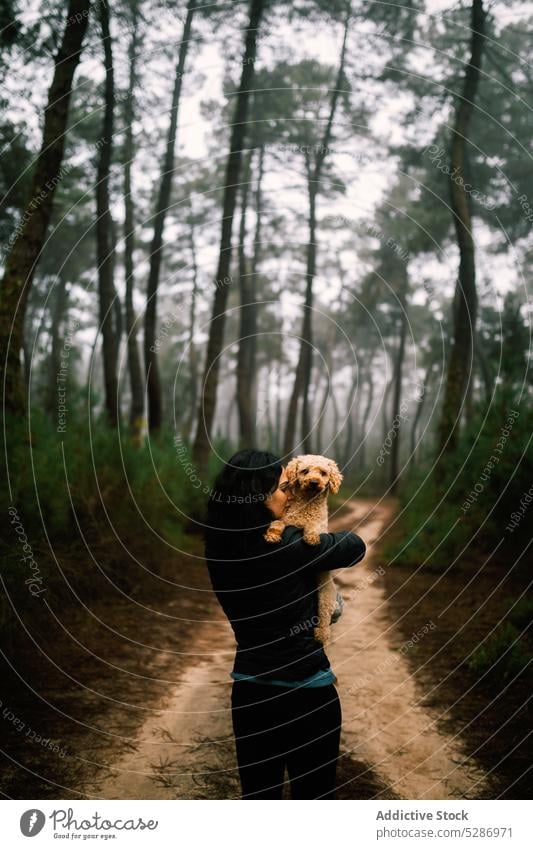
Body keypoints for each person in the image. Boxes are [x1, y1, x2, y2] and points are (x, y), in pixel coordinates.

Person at [204, 449, 366, 799]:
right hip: (307, 692)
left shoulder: (219, 546)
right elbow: (354, 546)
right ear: (258, 495)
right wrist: (318, 538)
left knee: (260, 799)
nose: (290, 493)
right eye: (281, 488)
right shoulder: (291, 546)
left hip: (250, 692)